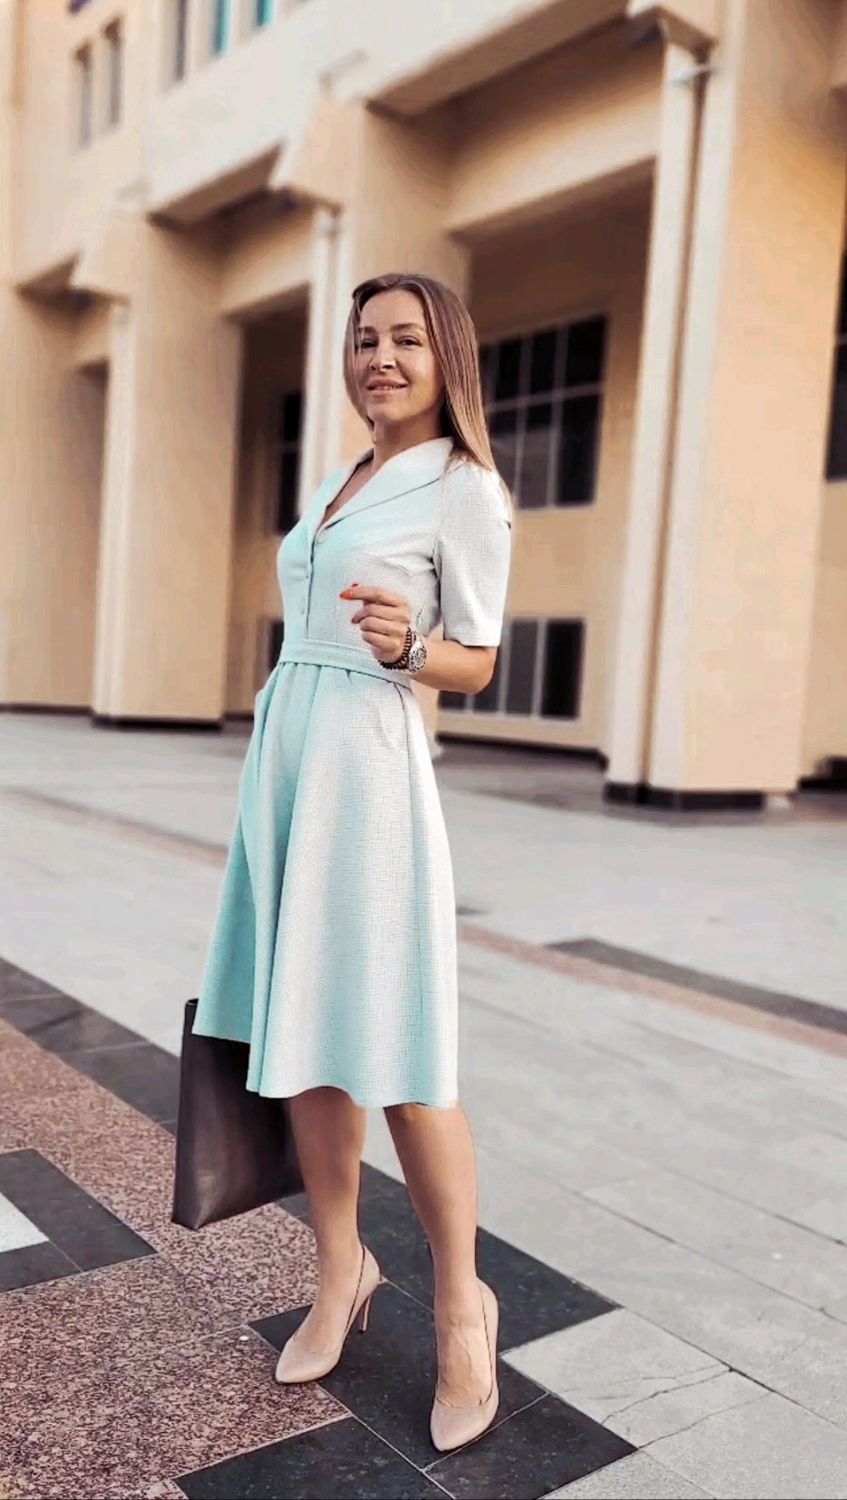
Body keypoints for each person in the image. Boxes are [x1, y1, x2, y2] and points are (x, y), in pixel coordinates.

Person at [192, 270, 513, 1453]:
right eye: (366, 338)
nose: (380, 356)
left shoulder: (465, 488)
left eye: (406, 340)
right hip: (290, 760)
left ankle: (463, 1311)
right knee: (308, 1035)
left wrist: (410, 646)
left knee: (401, 1052)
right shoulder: (337, 480)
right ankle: (342, 1271)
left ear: (445, 358)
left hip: (369, 775)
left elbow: (478, 658)